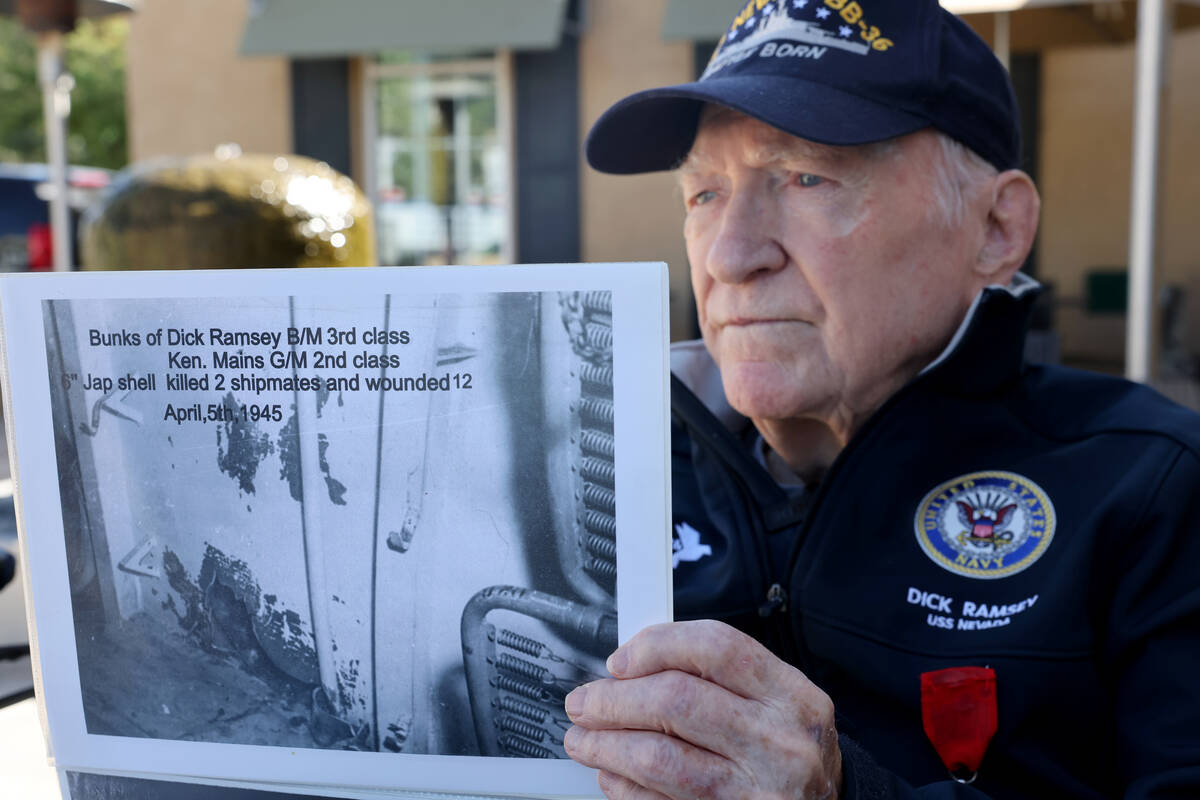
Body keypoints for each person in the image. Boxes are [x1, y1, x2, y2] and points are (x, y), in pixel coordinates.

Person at [561, 1, 1200, 797]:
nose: (730, 255)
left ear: (997, 228)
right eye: (703, 195)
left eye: (804, 177)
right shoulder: (597, 463)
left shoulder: (1155, 490)